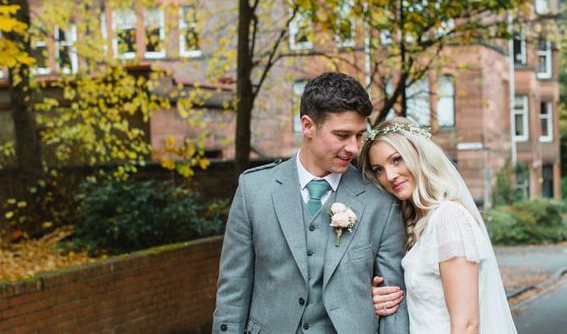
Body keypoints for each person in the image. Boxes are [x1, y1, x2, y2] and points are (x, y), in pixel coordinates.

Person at [212, 72, 409, 334]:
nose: (353, 148)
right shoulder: (254, 190)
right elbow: (232, 290)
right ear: (307, 126)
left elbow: (393, 302)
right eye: (342, 135)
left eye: (360, 136)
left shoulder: (379, 201)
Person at [361, 118, 518, 334]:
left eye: (397, 160)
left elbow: (466, 325)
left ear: (419, 156)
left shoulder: (449, 219)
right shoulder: (419, 223)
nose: (389, 176)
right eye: (379, 169)